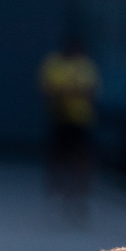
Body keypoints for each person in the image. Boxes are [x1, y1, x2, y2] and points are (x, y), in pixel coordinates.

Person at [41, 38, 100, 213]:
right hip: (59, 118)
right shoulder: (54, 64)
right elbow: (49, 90)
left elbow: (90, 91)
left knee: (82, 157)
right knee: (58, 155)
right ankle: (57, 189)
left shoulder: (86, 66)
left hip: (81, 119)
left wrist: (67, 92)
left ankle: (81, 194)